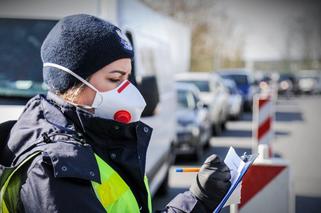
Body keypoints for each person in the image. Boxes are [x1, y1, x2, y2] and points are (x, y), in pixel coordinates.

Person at [0, 14, 231, 213]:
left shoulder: (85, 134)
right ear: (72, 82)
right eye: (114, 78)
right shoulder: (56, 167)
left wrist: (198, 199)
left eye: (127, 78)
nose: (126, 89)